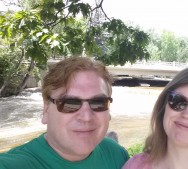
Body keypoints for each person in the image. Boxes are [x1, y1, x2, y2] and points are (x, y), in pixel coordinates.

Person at [0, 57, 129, 168]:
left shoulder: (117, 155)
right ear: (46, 109)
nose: (86, 117)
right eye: (70, 103)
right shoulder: (12, 165)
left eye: (99, 102)